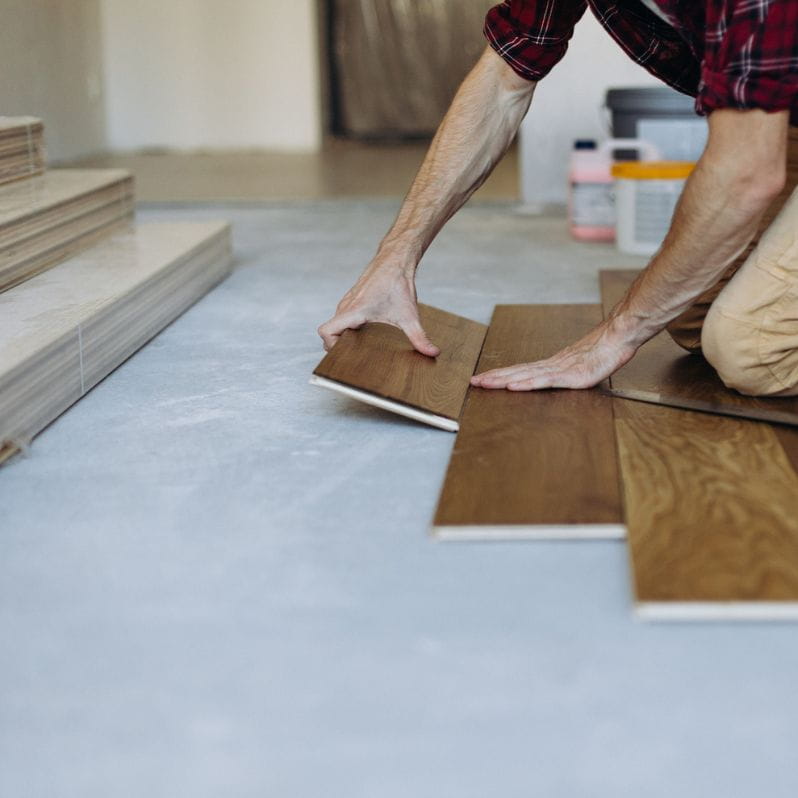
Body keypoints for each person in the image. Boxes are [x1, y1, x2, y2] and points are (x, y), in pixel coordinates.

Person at [318, 0, 798, 397]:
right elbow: (504, 80)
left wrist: (610, 339)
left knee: (750, 347)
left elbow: (747, 172)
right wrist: (395, 258)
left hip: (769, 136)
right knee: (691, 318)